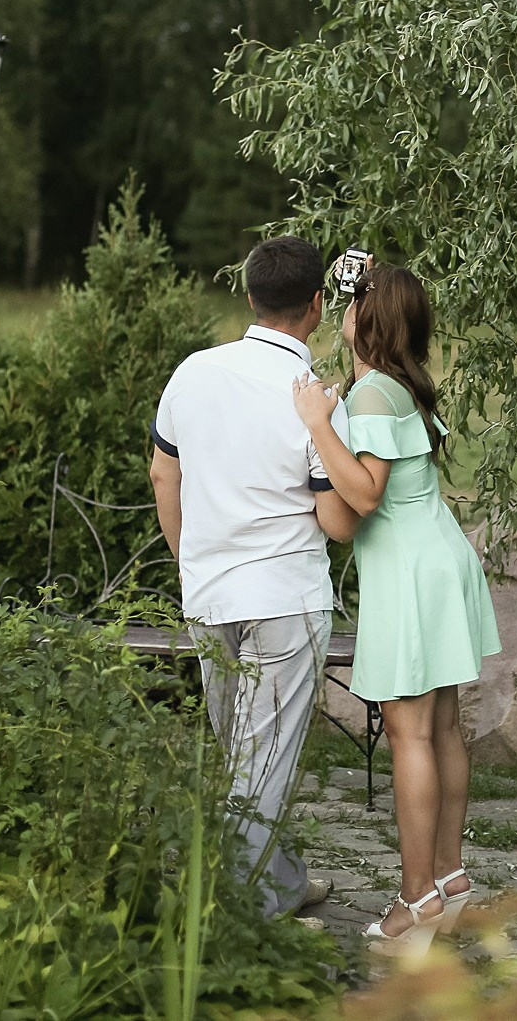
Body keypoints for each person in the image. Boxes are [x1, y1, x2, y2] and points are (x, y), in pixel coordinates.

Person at [292, 263, 502, 955]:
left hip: (412, 571)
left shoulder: (375, 394)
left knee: (411, 735)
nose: (342, 312)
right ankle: (449, 875)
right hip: (437, 556)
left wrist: (318, 423)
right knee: (441, 728)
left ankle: (416, 899)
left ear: (368, 318)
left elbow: (365, 493)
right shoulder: (401, 381)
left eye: (351, 303)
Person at [148, 236, 347, 920]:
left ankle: (283, 881)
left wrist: (191, 561)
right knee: (261, 763)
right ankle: (245, 917)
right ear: (317, 305)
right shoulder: (314, 397)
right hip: (285, 600)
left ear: (251, 296)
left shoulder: (192, 373)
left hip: (209, 596)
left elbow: (162, 472)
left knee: (243, 754)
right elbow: (331, 513)